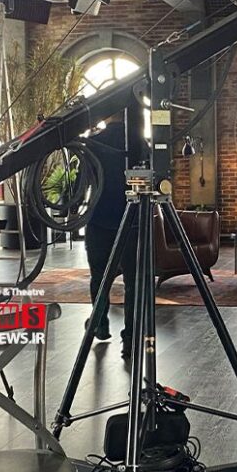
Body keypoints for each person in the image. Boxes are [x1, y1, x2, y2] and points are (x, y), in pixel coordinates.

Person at [85, 112, 144, 359]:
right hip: (132, 220)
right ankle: (130, 338)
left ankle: (100, 324)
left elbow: (83, 181)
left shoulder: (93, 143)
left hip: (99, 218)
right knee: (133, 282)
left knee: (100, 277)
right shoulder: (140, 143)